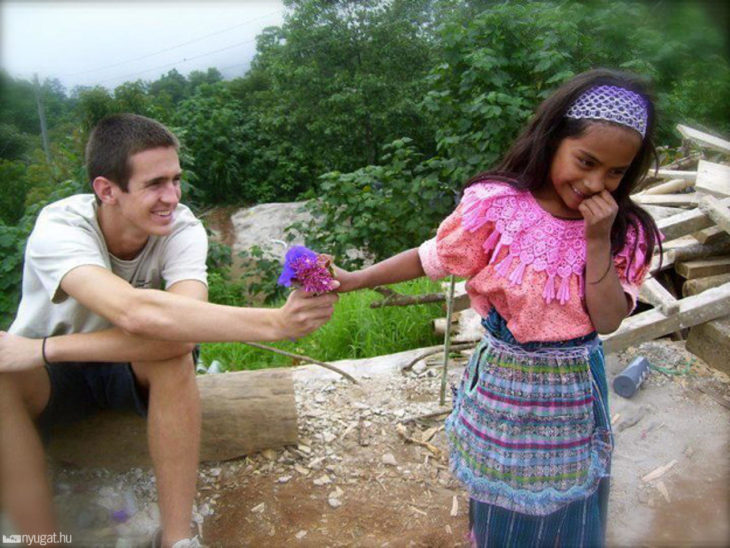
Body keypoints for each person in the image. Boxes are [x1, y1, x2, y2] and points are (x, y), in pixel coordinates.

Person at [334, 69, 661, 547]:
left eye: (615, 172)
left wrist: (595, 241)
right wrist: (356, 279)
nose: (595, 183)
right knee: (501, 496)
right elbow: (434, 256)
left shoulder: (621, 229)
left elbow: (608, 320)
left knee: (567, 498)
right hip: (504, 382)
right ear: (553, 141)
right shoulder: (499, 207)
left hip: (573, 385)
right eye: (586, 161)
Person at [0, 113, 338, 547]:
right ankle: (41, 540)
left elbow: (184, 326)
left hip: (105, 361)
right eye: (155, 184)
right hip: (50, 379)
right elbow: (131, 311)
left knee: (176, 354)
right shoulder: (61, 228)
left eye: (176, 179)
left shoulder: (181, 226)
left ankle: (176, 539)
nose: (172, 197)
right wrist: (275, 323)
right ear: (107, 190)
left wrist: (43, 349)